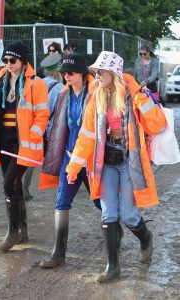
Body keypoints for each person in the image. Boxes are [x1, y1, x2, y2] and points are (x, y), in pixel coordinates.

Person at [66, 51, 166, 283]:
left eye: (100, 71)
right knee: (109, 213)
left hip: (129, 161)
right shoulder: (96, 98)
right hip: (106, 163)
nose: (96, 75)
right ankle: (113, 267)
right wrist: (73, 167)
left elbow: (157, 125)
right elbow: (87, 136)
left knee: (129, 215)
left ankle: (145, 238)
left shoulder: (133, 96)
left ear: (113, 73)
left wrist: (142, 98)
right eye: (95, 71)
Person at [0, 42, 49, 252]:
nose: (8, 64)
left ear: (23, 62)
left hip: (24, 142)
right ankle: (22, 230)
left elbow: (42, 115)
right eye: (5, 60)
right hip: (3, 140)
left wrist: (33, 134)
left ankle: (12, 232)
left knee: (9, 184)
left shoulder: (37, 84)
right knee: (13, 185)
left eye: (12, 60)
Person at [35, 53, 101, 269]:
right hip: (69, 158)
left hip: (90, 160)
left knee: (100, 203)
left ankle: (117, 233)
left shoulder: (96, 94)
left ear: (83, 74)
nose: (66, 76)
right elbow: (52, 121)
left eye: (70, 73)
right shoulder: (63, 94)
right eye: (63, 73)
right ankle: (58, 253)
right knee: (61, 203)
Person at [22, 53, 64, 201]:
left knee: (29, 161)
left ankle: (23, 190)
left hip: (32, 128)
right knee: (61, 157)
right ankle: (66, 186)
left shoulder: (35, 83)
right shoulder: (61, 88)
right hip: (50, 130)